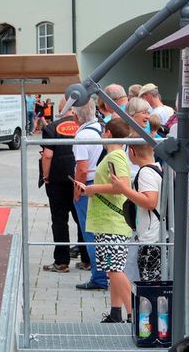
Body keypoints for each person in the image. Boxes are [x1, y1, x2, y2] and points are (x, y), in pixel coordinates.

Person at [73, 118, 132, 323]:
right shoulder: (115, 155)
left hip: (111, 223)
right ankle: (116, 312)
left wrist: (92, 189)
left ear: (107, 133)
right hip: (108, 222)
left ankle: (133, 314)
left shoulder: (114, 157)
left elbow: (121, 186)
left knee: (114, 269)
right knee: (112, 268)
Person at [40, 97, 85, 273]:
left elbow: (47, 155)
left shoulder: (51, 128)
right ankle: (87, 259)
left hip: (57, 181)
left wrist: (45, 176)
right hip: (79, 179)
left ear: (61, 109)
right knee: (81, 219)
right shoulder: (84, 126)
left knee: (59, 221)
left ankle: (61, 262)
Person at [111, 133, 162, 282]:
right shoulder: (156, 169)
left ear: (132, 151)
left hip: (151, 240)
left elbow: (150, 201)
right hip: (154, 236)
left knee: (149, 286)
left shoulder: (145, 172)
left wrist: (123, 189)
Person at [72, 99, 108, 290]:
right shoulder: (99, 128)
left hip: (88, 186)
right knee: (101, 232)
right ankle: (106, 274)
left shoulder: (82, 136)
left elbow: (82, 170)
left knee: (90, 233)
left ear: (77, 116)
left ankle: (99, 278)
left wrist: (77, 191)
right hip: (102, 183)